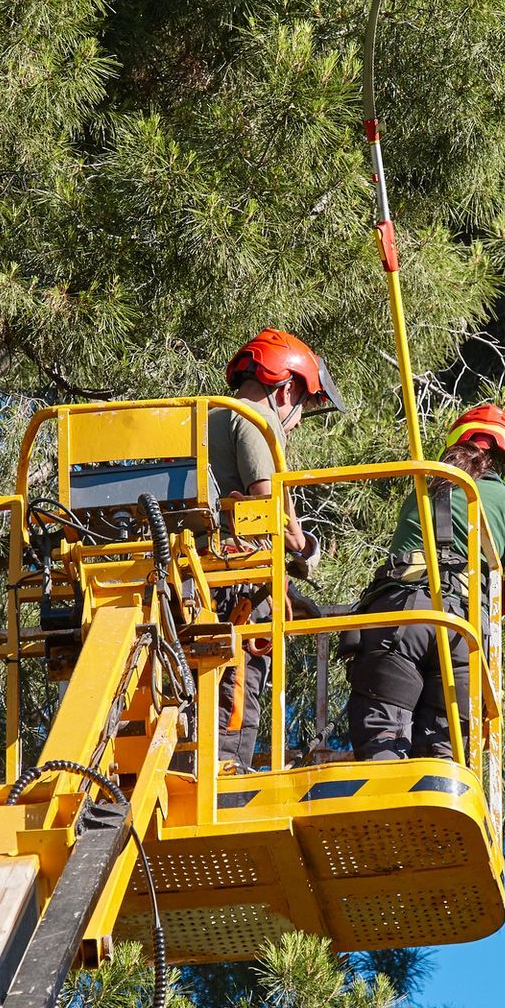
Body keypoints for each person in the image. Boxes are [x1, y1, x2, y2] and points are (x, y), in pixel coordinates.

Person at [345, 403, 505, 761]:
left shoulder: (422, 490)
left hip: (399, 618)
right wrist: (490, 608)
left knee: (383, 740)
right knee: (444, 756)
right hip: (463, 632)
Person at [205, 328, 345, 770]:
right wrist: (307, 549)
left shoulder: (206, 415)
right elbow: (270, 511)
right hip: (237, 584)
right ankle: (228, 774)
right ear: (285, 390)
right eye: (302, 406)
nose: (299, 420)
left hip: (199, 578)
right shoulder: (254, 421)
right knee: (237, 687)